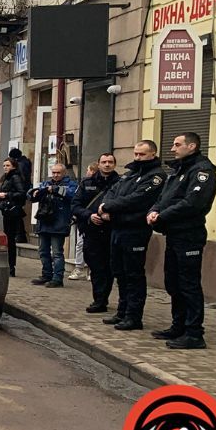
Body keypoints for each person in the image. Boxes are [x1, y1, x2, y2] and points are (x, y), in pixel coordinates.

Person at [148, 132, 216, 349]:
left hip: (189, 235)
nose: (172, 148)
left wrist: (162, 216)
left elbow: (192, 203)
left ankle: (194, 333)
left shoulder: (202, 171)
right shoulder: (179, 170)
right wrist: (154, 210)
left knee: (189, 285)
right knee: (173, 282)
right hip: (174, 234)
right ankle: (178, 325)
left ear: (192, 146)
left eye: (177, 144)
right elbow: (164, 198)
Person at [96, 140, 166, 331]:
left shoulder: (156, 177)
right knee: (119, 272)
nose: (137, 158)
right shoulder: (130, 174)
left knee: (133, 274)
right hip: (118, 229)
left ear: (153, 154)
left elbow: (137, 200)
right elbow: (113, 192)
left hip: (135, 230)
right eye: (135, 154)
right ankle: (122, 312)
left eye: (141, 154)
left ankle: (134, 317)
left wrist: (109, 207)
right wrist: (104, 205)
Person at [71, 154, 119, 313]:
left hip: (112, 231)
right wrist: (88, 216)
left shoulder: (121, 183)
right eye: (104, 162)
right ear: (98, 164)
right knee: (96, 267)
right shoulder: (87, 183)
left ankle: (103, 298)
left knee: (109, 268)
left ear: (114, 165)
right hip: (92, 231)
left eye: (110, 162)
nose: (107, 165)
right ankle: (99, 299)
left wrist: (112, 215)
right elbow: (76, 205)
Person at [29, 163, 77, 287]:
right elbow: (31, 196)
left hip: (59, 223)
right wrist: (34, 192)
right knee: (43, 251)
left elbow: (71, 195)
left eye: (58, 173)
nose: (55, 175)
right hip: (44, 222)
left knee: (57, 253)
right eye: (54, 172)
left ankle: (57, 278)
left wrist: (54, 190)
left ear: (64, 173)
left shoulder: (70, 184)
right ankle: (46, 275)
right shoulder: (46, 183)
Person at [67, 162, 100, 281]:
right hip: (83, 218)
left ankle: (91, 269)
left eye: (88, 170)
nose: (87, 172)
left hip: (97, 219)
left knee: (94, 246)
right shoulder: (84, 184)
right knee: (80, 244)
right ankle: (79, 267)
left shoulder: (103, 184)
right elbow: (76, 202)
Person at [0, 158, 28, 277]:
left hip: (13, 211)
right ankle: (9, 266)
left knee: (10, 240)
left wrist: (6, 195)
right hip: (7, 211)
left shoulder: (15, 177)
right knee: (8, 239)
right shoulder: (6, 178)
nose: (5, 167)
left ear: (14, 166)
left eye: (8, 165)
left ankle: (11, 267)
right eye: (4, 165)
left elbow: (21, 193)